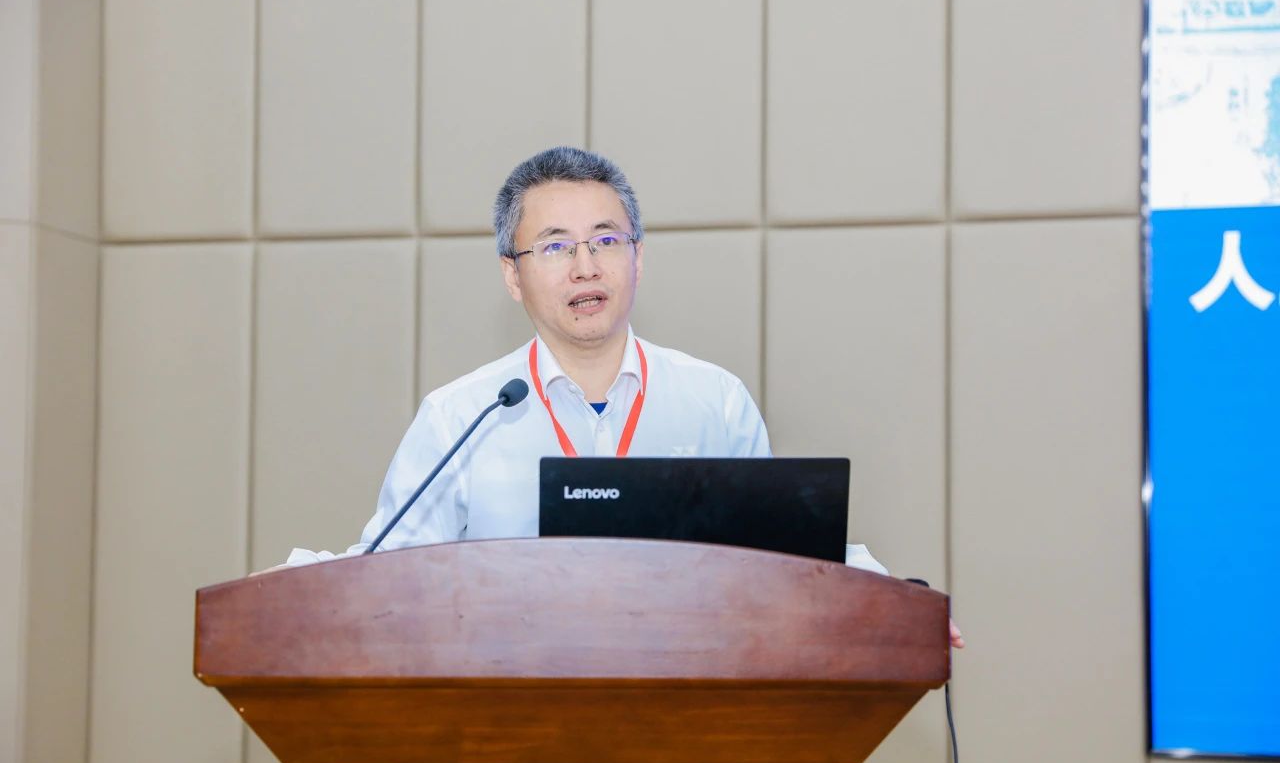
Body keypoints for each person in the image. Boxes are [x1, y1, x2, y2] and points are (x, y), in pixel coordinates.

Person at [283, 146, 963, 647]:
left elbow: (785, 561)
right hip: (506, 734)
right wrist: (293, 592)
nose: (586, 267)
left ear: (638, 256)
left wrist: (896, 602)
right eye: (555, 247)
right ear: (512, 276)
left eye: (606, 240)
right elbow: (384, 575)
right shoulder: (463, 416)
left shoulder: (713, 401)